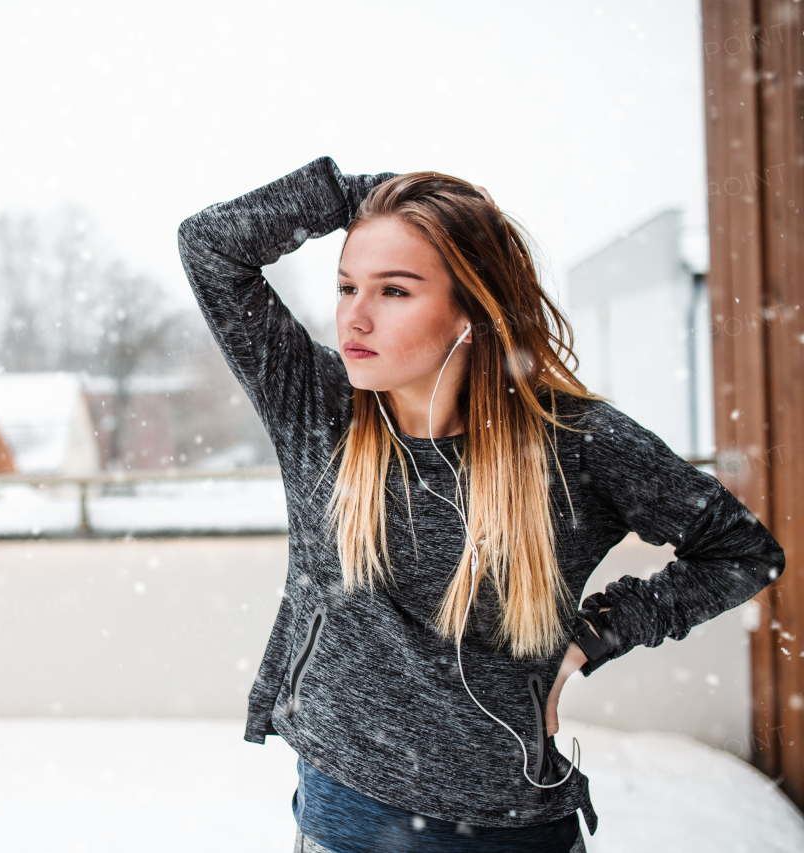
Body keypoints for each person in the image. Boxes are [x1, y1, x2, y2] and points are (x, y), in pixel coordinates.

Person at [176, 157, 786, 853]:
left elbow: (742, 552)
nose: (356, 315)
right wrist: (367, 196)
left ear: (472, 309)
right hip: (338, 826)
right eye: (347, 286)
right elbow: (210, 244)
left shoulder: (579, 446)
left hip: (510, 833)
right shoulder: (318, 411)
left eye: (395, 291)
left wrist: (596, 636)